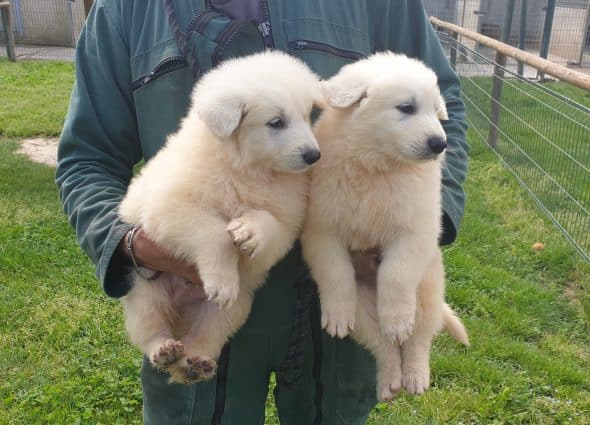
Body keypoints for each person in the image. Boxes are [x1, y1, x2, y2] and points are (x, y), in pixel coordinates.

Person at [56, 0, 469, 424]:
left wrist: (414, 229)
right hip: (193, 301)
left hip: (340, 307)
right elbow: (88, 157)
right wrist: (130, 243)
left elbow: (441, 110)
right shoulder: (125, 11)